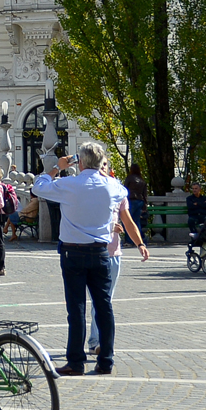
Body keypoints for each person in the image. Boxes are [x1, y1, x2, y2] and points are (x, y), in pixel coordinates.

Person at [33, 142, 146, 377]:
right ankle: (106, 360)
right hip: (100, 252)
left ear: (80, 162)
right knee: (104, 307)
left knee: (76, 309)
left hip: (73, 252)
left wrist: (56, 167)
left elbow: (39, 187)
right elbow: (123, 194)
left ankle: (75, 361)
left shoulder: (70, 184)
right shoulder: (112, 186)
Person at [88, 157, 149, 355]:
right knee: (99, 299)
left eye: (106, 164)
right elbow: (82, 222)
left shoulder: (117, 191)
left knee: (106, 299)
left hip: (114, 252)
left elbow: (128, 221)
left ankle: (97, 340)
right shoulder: (87, 190)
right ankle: (96, 341)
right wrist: (107, 227)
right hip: (91, 251)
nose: (103, 167)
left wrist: (140, 243)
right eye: (101, 164)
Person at [123, 163, 149, 241]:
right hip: (140, 201)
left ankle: (129, 239)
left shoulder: (130, 178)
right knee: (137, 221)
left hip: (131, 200)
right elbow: (145, 194)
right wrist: (145, 204)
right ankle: (139, 239)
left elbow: (124, 189)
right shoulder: (142, 180)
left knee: (128, 221)